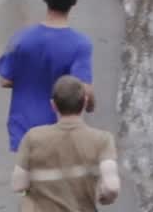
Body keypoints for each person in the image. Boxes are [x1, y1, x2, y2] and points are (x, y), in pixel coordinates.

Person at [0, 0, 95, 153]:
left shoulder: (21, 38)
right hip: (60, 133)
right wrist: (91, 105)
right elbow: (85, 91)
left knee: (24, 177)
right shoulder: (80, 44)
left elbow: (5, 80)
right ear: (74, 1)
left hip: (23, 130)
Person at [11, 75, 120, 210]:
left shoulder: (33, 137)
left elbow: (18, 185)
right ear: (85, 102)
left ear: (53, 105)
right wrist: (105, 197)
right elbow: (111, 186)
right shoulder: (102, 139)